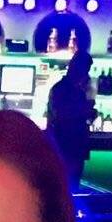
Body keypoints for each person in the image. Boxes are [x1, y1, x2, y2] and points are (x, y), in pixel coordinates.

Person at [45, 48, 95, 187]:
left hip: (70, 145)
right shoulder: (63, 90)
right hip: (66, 145)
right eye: (85, 69)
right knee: (67, 184)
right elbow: (61, 115)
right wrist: (84, 112)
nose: (86, 73)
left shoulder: (72, 90)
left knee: (67, 184)